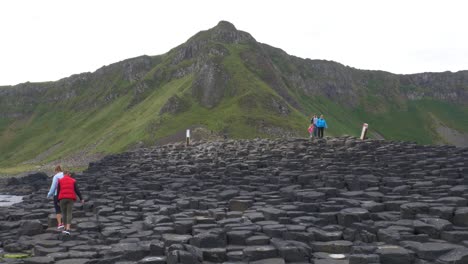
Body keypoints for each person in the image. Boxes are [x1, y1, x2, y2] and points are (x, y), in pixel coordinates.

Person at [47, 165, 65, 230]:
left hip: (58, 195)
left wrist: (49, 194)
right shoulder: (65, 175)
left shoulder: (56, 176)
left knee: (58, 210)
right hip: (66, 195)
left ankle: (60, 224)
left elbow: (53, 187)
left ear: (56, 170)